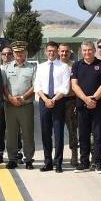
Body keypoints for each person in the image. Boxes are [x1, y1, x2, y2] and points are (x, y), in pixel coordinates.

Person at [71, 42, 101, 173]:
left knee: (99, 136)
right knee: (83, 135)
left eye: (89, 50)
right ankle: (84, 163)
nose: (87, 52)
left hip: (98, 106)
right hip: (82, 106)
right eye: (84, 50)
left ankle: (98, 163)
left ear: (94, 51)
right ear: (81, 51)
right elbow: (74, 85)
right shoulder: (76, 65)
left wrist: (93, 99)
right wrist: (86, 99)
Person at [34, 41, 71, 172]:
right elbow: (37, 85)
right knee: (45, 133)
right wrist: (45, 99)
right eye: (49, 51)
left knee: (59, 133)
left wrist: (53, 100)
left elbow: (65, 88)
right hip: (44, 101)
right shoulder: (41, 67)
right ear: (45, 52)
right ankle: (48, 162)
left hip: (58, 101)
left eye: (54, 51)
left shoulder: (64, 67)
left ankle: (58, 163)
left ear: (57, 51)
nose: (51, 53)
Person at [2, 42, 37, 169]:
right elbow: (4, 86)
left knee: (27, 132)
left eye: (21, 52)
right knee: (11, 133)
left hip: (26, 105)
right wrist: (10, 98)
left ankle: (28, 159)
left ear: (25, 53)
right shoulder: (6, 68)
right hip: (10, 105)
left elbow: (34, 86)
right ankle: (12, 158)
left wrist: (23, 97)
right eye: (16, 52)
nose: (19, 55)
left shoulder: (32, 67)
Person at [57, 42, 80, 165]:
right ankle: (57, 156)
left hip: (71, 101)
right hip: (57, 101)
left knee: (72, 129)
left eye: (66, 51)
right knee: (57, 130)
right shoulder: (54, 66)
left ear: (70, 52)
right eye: (62, 51)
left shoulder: (75, 66)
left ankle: (74, 154)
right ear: (58, 52)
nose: (64, 53)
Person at [0, 45, 13, 163]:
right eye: (4, 54)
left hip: (14, 103)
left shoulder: (17, 68)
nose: (6, 56)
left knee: (14, 129)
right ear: (1, 56)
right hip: (1, 103)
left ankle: (17, 152)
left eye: (9, 54)